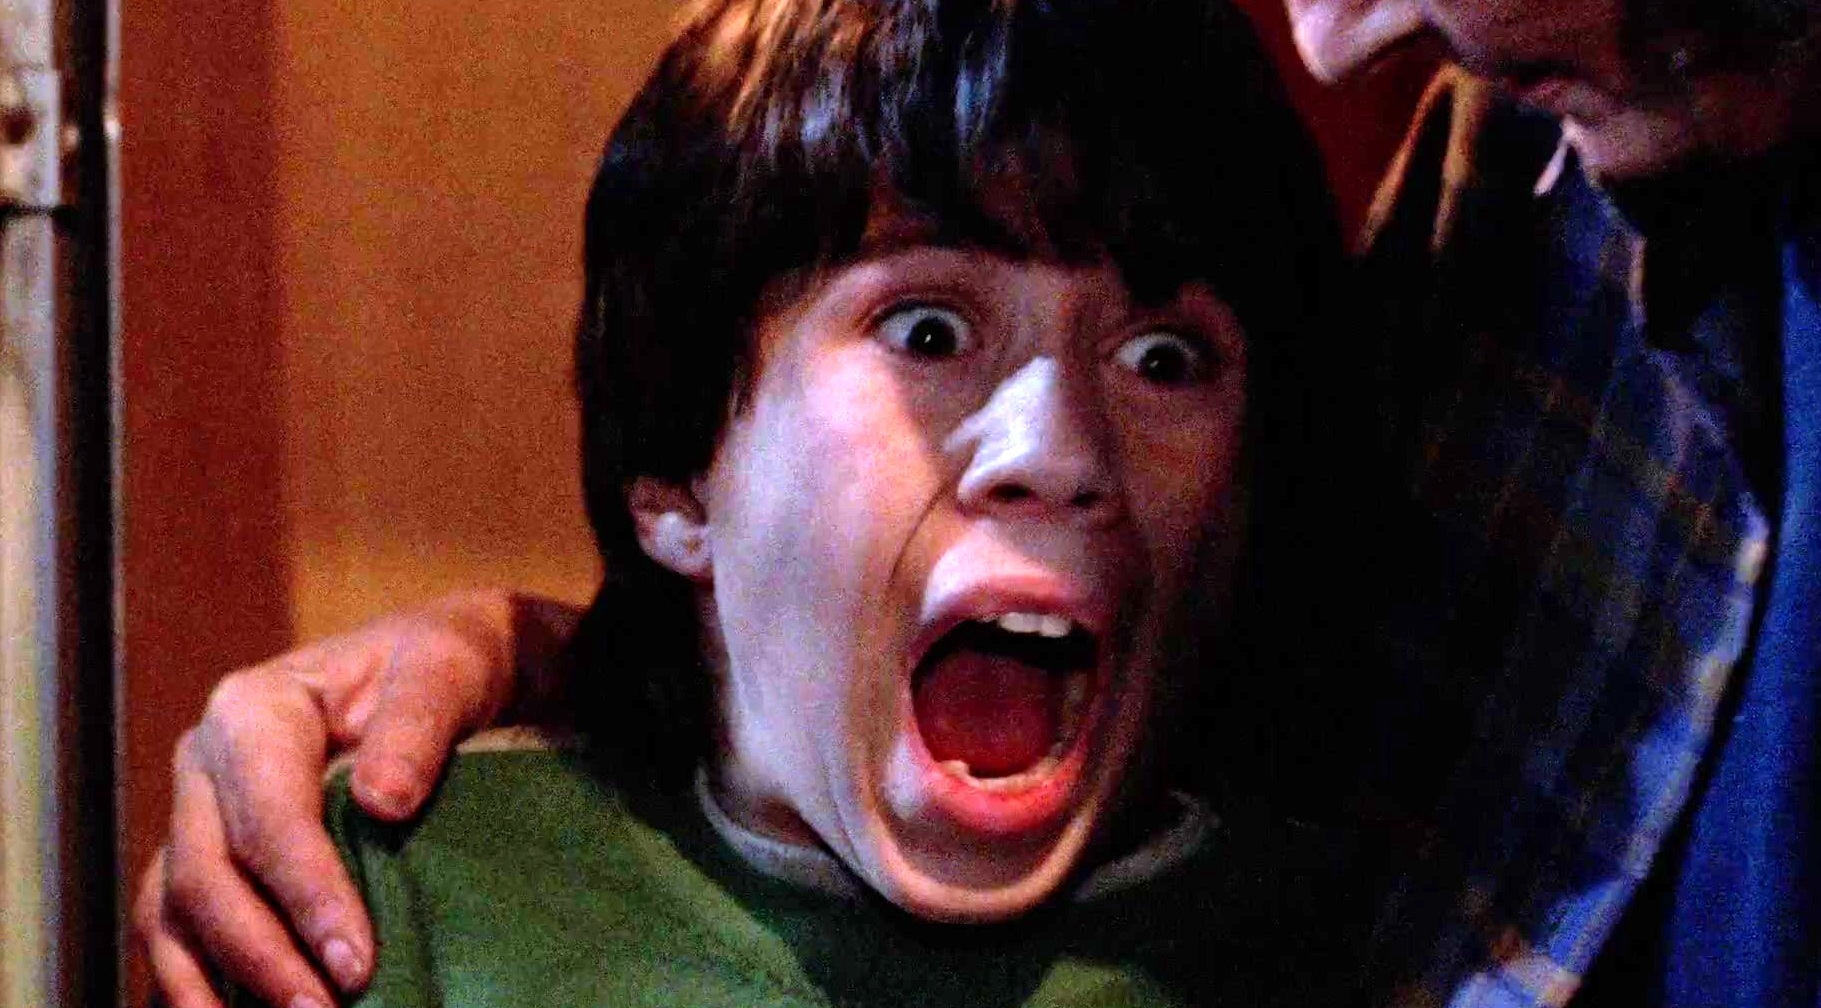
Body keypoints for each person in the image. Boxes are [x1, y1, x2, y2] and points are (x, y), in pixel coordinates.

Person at [138, 0, 1821, 1006]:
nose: (1056, 447)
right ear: (672, 471)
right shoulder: (404, 910)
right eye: (930, 334)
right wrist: (555, 653)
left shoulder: (1284, 943)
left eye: (1164, 358)